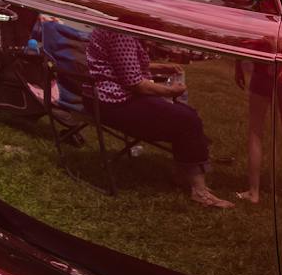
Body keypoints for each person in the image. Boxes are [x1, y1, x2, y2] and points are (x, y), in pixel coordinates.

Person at [85, 27, 230, 208]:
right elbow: (135, 83)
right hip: (113, 103)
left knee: (182, 115)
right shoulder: (121, 33)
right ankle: (199, 191)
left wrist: (159, 67)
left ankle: (183, 173)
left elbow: (123, 63)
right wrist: (171, 90)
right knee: (187, 120)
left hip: (104, 99)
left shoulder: (115, 27)